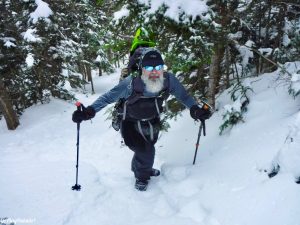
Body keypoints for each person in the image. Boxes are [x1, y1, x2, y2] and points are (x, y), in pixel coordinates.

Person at [72, 48, 211, 191]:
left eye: (158, 67)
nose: (154, 71)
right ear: (142, 69)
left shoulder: (169, 80)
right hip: (129, 123)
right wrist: (89, 112)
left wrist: (195, 109)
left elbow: (184, 96)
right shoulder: (131, 84)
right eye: (149, 67)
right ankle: (142, 177)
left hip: (152, 121)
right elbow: (108, 97)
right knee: (146, 151)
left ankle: (142, 167)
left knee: (147, 148)